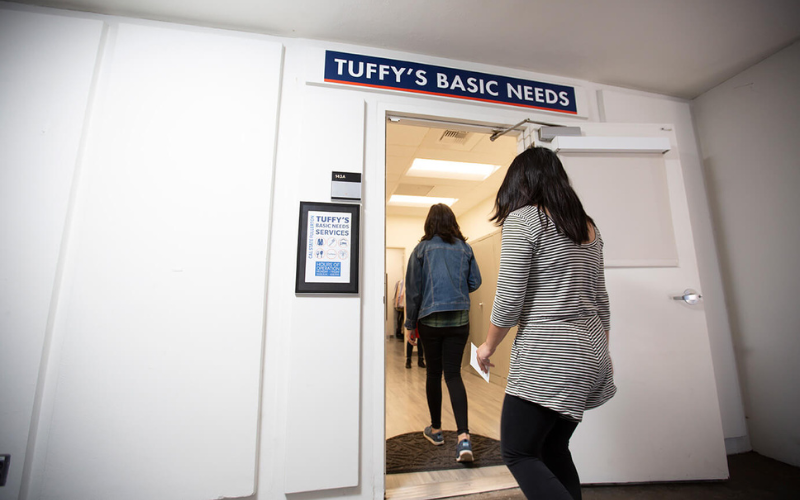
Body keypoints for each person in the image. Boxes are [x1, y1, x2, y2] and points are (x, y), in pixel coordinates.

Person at [476, 147, 616, 499]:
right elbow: (602, 300)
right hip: (591, 352)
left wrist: (487, 346)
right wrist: (593, 352)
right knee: (553, 450)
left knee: (518, 452)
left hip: (549, 356)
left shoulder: (525, 220)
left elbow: (509, 300)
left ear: (519, 182)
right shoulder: (587, 226)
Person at [404, 203, 481, 462]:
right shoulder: (465, 248)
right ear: (452, 222)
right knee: (454, 375)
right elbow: (475, 282)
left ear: (429, 223)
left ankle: (436, 430)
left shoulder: (421, 249)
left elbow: (414, 291)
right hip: (459, 320)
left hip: (430, 321)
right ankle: (463, 438)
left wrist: (409, 325)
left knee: (434, 374)